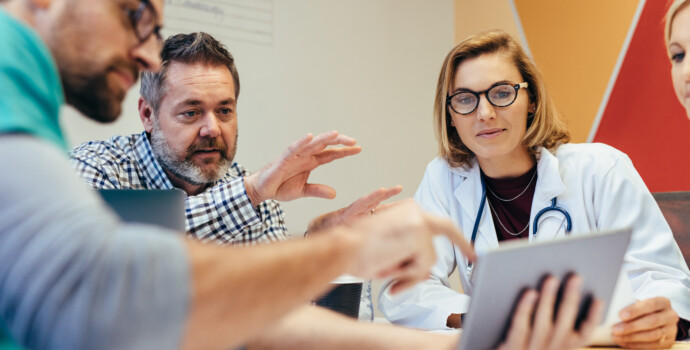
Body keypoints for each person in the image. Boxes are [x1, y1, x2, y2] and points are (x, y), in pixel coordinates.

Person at [0, 1, 601, 349]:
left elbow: (263, 316)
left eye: (225, 110)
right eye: (134, 13)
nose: (145, 52)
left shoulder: (35, 106)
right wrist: (333, 244)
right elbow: (115, 281)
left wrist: (467, 343)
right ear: (148, 114)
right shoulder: (90, 160)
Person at [378, 30, 690, 349]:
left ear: (531, 101)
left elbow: (663, 277)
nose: (484, 113)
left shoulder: (601, 168)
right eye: (465, 100)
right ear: (452, 117)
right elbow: (405, 288)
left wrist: (664, 319)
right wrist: (484, 317)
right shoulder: (444, 178)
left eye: (501, 93)